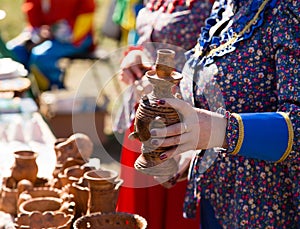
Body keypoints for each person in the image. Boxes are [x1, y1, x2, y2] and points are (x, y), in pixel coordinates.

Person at [145, 0, 299, 228]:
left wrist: (216, 130)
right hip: (218, 202)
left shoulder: (288, 10)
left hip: (269, 210)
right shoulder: (225, 7)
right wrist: (190, 149)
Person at [115, 0, 214, 228]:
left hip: (180, 122)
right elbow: (149, 41)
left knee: (173, 215)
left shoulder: (214, 4)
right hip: (144, 115)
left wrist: (175, 83)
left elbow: (221, 62)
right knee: (138, 212)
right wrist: (135, 55)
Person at [6, 0, 96, 91]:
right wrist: (37, 35)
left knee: (41, 56)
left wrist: (50, 33)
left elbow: (80, 25)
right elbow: (34, 18)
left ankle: (54, 89)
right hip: (46, 36)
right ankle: (24, 92)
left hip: (75, 38)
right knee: (13, 51)